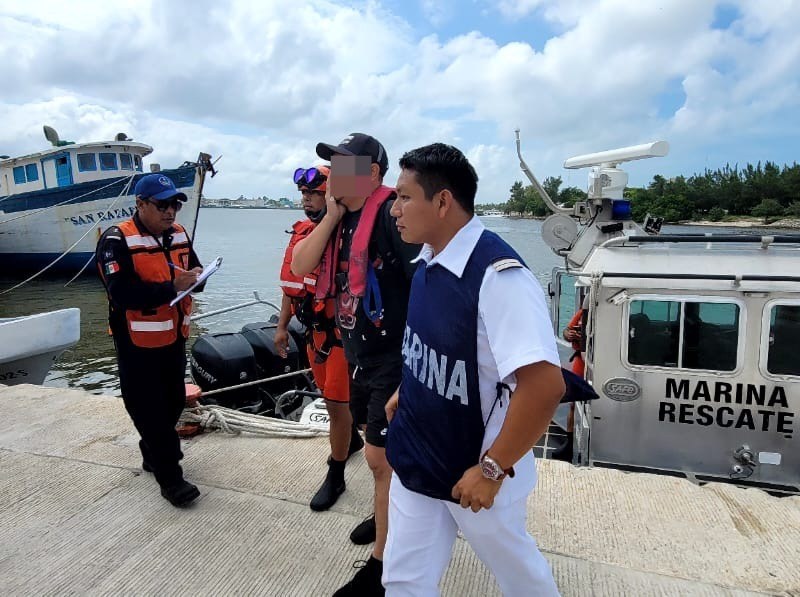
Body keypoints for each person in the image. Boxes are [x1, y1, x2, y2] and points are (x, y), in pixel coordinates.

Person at [383, 143, 564, 596]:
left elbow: (544, 386)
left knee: (519, 575)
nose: (393, 210)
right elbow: (433, 344)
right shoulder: (427, 262)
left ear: (442, 202)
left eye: (404, 197)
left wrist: (491, 470)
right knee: (403, 579)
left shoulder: (500, 278)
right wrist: (409, 391)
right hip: (420, 454)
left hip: (476, 467)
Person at [291, 133, 420, 596]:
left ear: (371, 175)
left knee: (380, 459)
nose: (332, 175)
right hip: (359, 354)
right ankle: (387, 512)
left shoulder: (390, 215)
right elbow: (303, 266)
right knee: (377, 456)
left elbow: (425, 286)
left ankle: (381, 570)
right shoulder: (341, 219)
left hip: (393, 357)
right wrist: (330, 214)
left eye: (343, 167)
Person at [96, 173, 204, 508]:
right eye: (161, 205)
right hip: (135, 342)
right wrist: (173, 287)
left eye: (174, 205)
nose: (170, 212)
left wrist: (197, 278)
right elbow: (122, 292)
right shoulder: (116, 241)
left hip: (173, 336)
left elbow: (193, 269)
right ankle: (170, 477)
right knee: (147, 407)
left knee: (172, 401)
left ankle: (151, 450)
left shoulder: (179, 235)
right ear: (140, 204)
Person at [275, 164, 363, 512]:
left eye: (314, 192)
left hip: (341, 337)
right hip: (313, 335)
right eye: (303, 193)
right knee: (329, 398)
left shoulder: (354, 234)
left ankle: (336, 473)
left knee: (336, 405)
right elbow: (291, 285)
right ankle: (351, 442)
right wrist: (282, 328)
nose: (306, 199)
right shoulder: (301, 233)